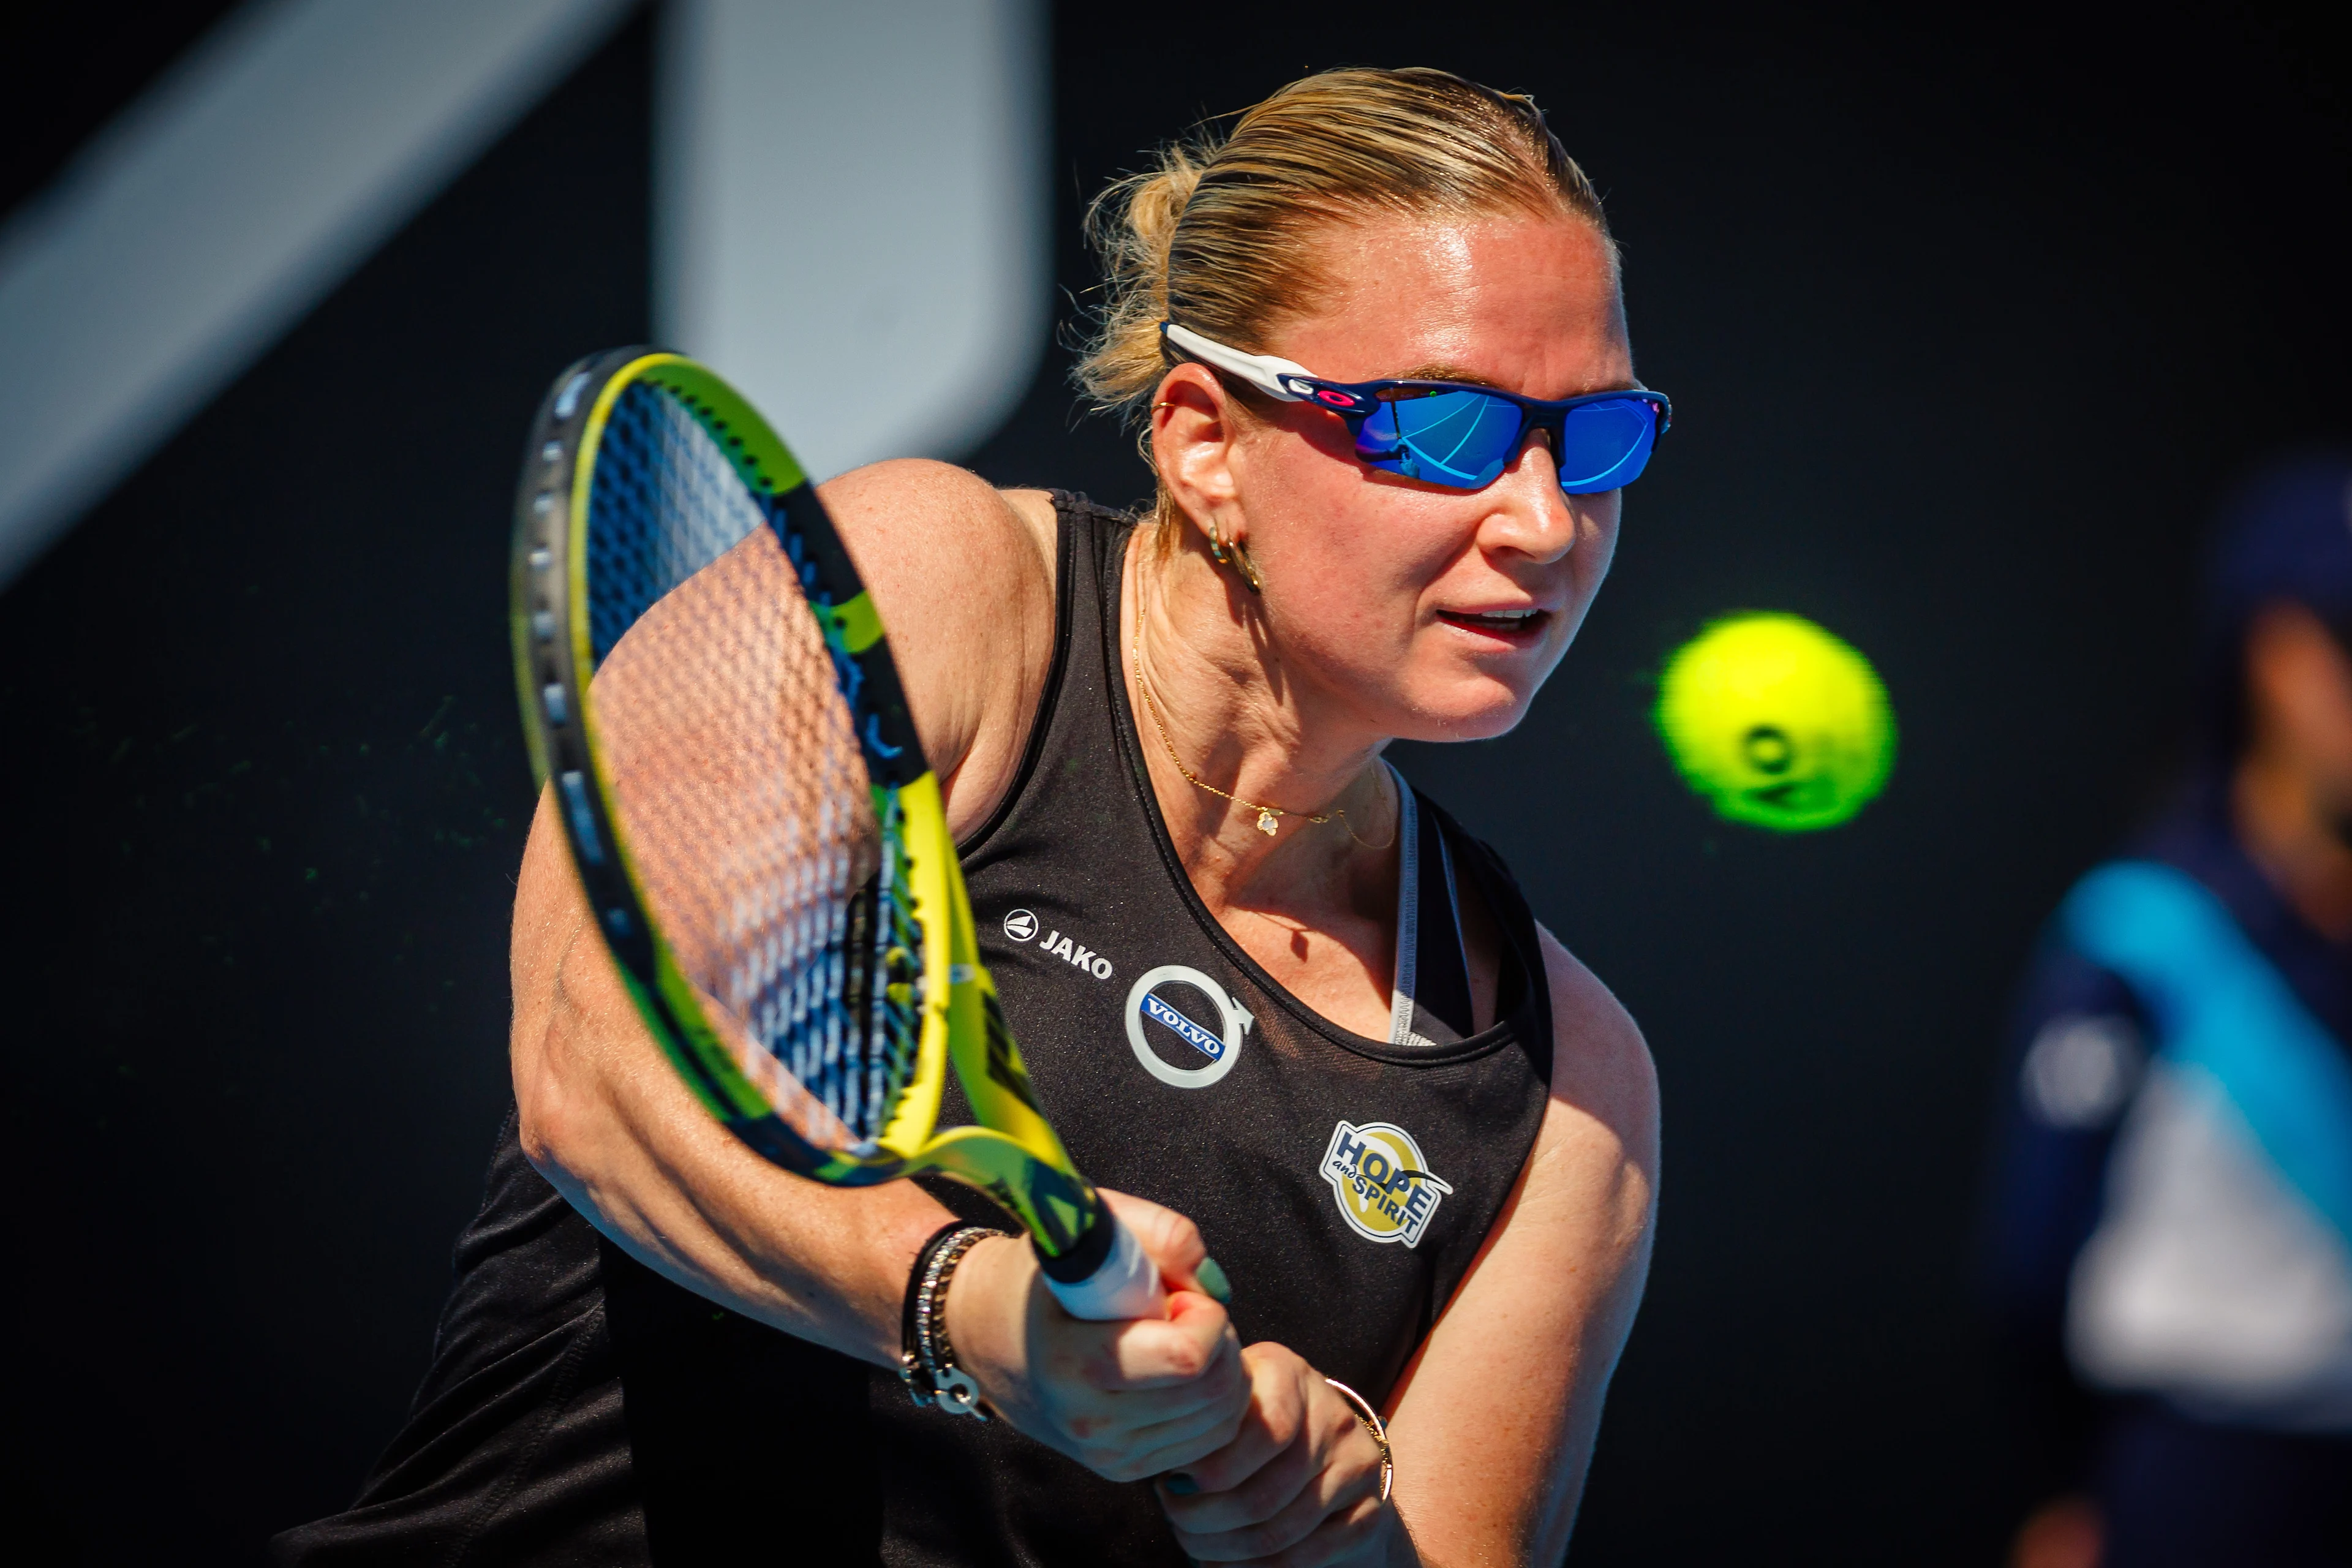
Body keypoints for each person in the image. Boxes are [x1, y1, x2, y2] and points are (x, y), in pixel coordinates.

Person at [277, 67, 1661, 1567]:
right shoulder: (936, 589)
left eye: (1594, 441)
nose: (1543, 520)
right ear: (1206, 442)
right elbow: (597, 1068)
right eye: (1449, 427)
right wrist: (971, 1304)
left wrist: (1327, 1526)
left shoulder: (1575, 1088)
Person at [1984, 455, 2352, 1568]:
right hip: (2196, 1482)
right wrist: (2059, 1490)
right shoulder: (2142, 933)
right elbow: (2031, 1261)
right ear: (2274, 660)